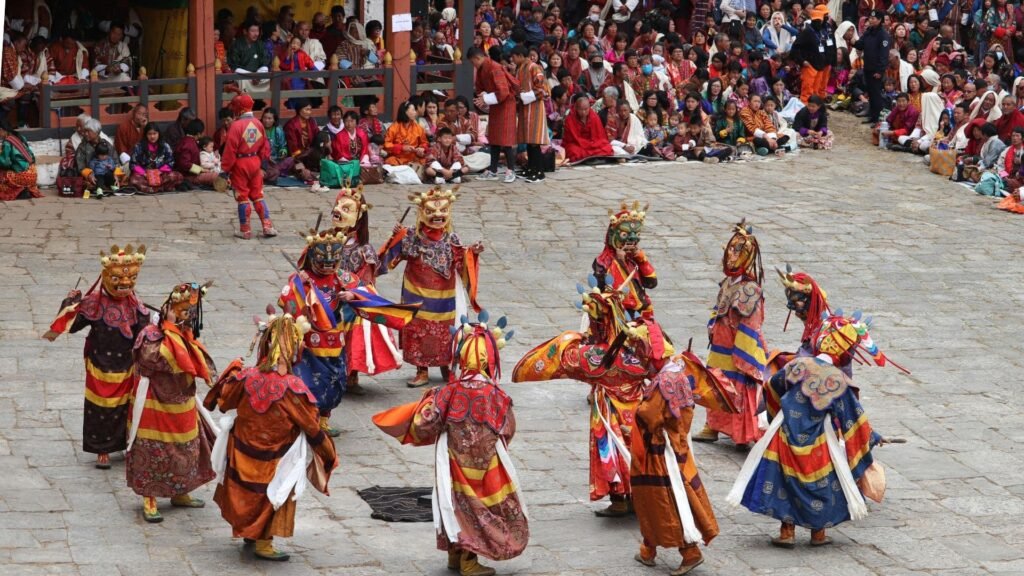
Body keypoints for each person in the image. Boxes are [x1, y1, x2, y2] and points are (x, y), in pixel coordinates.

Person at [373, 314, 527, 576]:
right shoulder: (497, 395)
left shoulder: (448, 393)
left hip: (453, 462)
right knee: (480, 505)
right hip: (485, 465)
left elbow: (425, 423)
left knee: (455, 502)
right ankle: (469, 561)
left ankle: (456, 555)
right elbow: (508, 428)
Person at [728, 313, 893, 548]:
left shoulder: (798, 365)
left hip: (786, 432)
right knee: (821, 482)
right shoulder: (839, 381)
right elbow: (853, 420)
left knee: (783, 480)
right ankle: (818, 533)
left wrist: (777, 414)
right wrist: (872, 438)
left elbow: (772, 386)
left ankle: (787, 532)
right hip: (818, 439)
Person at [204, 313, 338, 562]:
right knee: (270, 495)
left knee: (246, 491)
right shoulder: (292, 388)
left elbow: (222, 403)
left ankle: (250, 532)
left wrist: (233, 373)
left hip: (242, 450)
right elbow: (310, 425)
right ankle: (263, 542)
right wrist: (327, 452)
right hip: (275, 458)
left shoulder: (246, 377)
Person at [43, 245, 149, 469]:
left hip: (127, 365)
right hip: (101, 365)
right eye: (118, 278)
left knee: (125, 407)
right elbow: (72, 326)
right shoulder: (94, 303)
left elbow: (144, 333)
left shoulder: (135, 305)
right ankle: (102, 449)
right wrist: (70, 303)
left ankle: (124, 443)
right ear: (106, 276)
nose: (125, 284)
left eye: (131, 278)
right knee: (101, 408)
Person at [128, 282, 216, 523]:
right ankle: (150, 498)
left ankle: (181, 491)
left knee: (186, 447)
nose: (186, 317)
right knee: (152, 448)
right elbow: (151, 359)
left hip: (182, 401)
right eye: (183, 311)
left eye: (190, 312)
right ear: (169, 309)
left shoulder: (185, 335)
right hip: (155, 401)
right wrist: (170, 335)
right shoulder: (151, 334)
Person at [378, 187, 484, 388]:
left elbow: (462, 263)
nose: (437, 215)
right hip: (416, 293)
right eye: (431, 211)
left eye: (443, 210)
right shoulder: (412, 235)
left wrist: (474, 253)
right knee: (418, 330)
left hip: (444, 298)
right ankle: (422, 370)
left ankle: (446, 365)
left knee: (446, 331)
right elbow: (391, 257)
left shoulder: (452, 239)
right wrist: (394, 237)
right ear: (421, 212)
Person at [632, 351, 721, 575]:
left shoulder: (662, 382)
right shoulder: (679, 374)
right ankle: (648, 550)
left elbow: (650, 415)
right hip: (677, 443)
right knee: (655, 498)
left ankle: (689, 552)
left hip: (659, 452)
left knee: (664, 499)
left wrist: (635, 414)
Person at [694, 221, 767, 449]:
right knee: (716, 384)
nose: (732, 255)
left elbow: (751, 323)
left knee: (737, 388)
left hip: (737, 348)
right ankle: (713, 425)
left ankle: (739, 433)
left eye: (738, 251)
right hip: (719, 345)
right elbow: (719, 307)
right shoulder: (727, 282)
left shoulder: (750, 290)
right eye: (731, 249)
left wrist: (745, 356)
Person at [221, 94, 276, 240]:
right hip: (255, 162)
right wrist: (263, 164)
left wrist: (224, 170)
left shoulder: (235, 126)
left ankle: (245, 230)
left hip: (240, 164)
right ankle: (267, 226)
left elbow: (230, 150)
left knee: (242, 197)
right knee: (258, 195)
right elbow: (265, 146)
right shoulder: (258, 124)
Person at [469, 47, 517, 183]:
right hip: (495, 104)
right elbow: (479, 87)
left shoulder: (495, 67)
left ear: (478, 58)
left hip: (506, 104)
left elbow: (503, 92)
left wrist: (485, 98)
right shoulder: (482, 69)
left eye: (473, 62)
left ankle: (511, 170)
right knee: (494, 138)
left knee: (505, 139)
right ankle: (493, 170)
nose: (473, 65)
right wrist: (483, 96)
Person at [512, 45, 550, 183]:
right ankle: (531, 168)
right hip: (525, 107)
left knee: (534, 141)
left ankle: (539, 172)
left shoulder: (534, 67)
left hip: (535, 107)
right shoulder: (520, 69)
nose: (512, 60)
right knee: (529, 140)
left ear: (520, 56)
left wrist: (525, 96)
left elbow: (543, 89)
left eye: (514, 57)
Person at [854, 10, 891, 125]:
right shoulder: (868, 31)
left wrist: (880, 70)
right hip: (867, 67)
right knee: (870, 92)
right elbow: (861, 44)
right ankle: (872, 115)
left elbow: (884, 54)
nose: (871, 20)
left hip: (876, 70)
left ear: (879, 20)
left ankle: (878, 119)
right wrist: (853, 41)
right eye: (870, 18)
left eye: (873, 18)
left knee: (876, 94)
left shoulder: (883, 35)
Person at [792, 6, 833, 103]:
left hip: (819, 65)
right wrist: (802, 61)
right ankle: (805, 108)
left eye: (820, 21)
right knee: (807, 91)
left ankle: (815, 108)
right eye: (816, 21)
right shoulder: (807, 32)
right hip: (810, 66)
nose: (819, 23)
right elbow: (795, 48)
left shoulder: (821, 31)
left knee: (815, 91)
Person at [129, 123, 185, 194]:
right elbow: (133, 164)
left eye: (154, 133)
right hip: (145, 175)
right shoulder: (139, 147)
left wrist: (160, 171)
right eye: (149, 134)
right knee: (133, 180)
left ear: (158, 134)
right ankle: (161, 187)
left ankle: (152, 188)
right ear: (146, 135)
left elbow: (171, 162)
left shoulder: (165, 146)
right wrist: (144, 173)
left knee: (178, 176)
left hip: (161, 174)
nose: (152, 136)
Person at [175, 120, 226, 191]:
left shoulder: (190, 141)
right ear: (198, 134)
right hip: (189, 176)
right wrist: (201, 170)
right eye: (202, 132)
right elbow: (185, 164)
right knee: (216, 176)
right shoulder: (187, 144)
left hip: (197, 173)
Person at [563, 94, 615, 162]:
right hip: (578, 144)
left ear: (589, 107)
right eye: (581, 109)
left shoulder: (594, 117)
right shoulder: (570, 119)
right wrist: (587, 144)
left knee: (607, 147)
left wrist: (592, 144)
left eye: (586, 109)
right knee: (572, 151)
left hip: (592, 143)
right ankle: (594, 156)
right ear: (576, 108)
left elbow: (600, 136)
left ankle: (590, 156)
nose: (583, 112)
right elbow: (572, 139)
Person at [0, 121, 42, 200]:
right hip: (33, 173)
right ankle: (26, 189)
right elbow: (31, 155)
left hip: (23, 176)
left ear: (2, 130)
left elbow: (5, 163)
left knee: (2, 178)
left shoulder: (7, 142)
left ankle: (20, 191)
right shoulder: (21, 137)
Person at [383, 100, 429, 167]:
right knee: (390, 161)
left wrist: (422, 149)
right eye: (413, 110)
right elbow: (386, 144)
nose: (415, 112)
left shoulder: (418, 128)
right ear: (405, 112)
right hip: (398, 158)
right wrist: (402, 148)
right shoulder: (394, 128)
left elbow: (425, 143)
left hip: (414, 158)